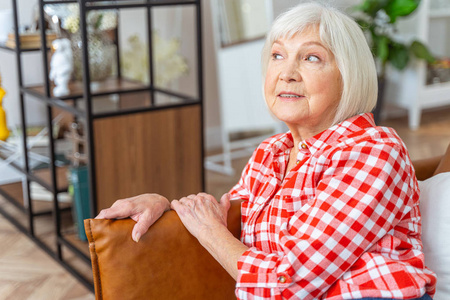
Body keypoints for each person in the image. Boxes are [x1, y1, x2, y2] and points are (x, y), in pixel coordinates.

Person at [96, 2, 436, 299]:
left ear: (349, 76)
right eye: (277, 55)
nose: (286, 74)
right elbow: (223, 221)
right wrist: (165, 208)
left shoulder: (374, 152)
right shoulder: (270, 153)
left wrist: (210, 229)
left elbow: (285, 285)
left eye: (311, 58)